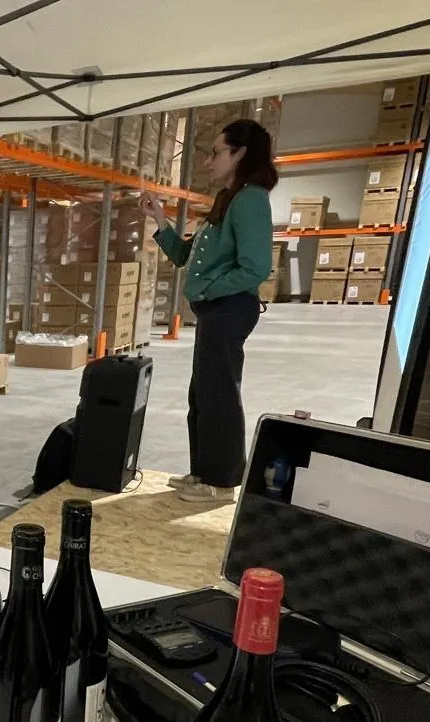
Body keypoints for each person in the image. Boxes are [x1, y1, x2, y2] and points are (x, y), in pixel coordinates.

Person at [141, 118, 276, 504]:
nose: (208, 161)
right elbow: (185, 255)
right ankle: (203, 472)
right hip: (215, 310)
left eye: (216, 152)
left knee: (219, 394)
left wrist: (209, 290)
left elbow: (256, 267)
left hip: (229, 308)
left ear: (240, 154)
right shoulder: (228, 199)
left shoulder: (250, 200)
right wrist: (160, 220)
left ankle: (221, 481)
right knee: (202, 393)